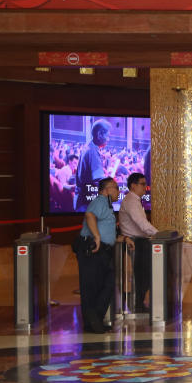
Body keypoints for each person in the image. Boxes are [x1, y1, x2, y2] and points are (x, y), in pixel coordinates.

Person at [75, 176, 120, 334]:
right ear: (107, 190)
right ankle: (93, 322)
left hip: (104, 252)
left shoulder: (107, 206)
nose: (118, 191)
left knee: (106, 285)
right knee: (92, 287)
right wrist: (97, 236)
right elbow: (90, 216)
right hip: (93, 250)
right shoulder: (100, 201)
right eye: (116, 187)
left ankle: (94, 321)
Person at [118, 172, 158, 313]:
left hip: (140, 241)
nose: (145, 187)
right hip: (135, 242)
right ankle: (136, 304)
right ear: (133, 186)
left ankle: (139, 303)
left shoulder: (135, 200)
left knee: (144, 274)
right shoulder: (130, 201)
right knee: (142, 275)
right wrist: (158, 235)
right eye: (142, 184)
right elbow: (142, 224)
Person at [74, 120, 110, 212]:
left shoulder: (89, 146)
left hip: (81, 201)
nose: (108, 139)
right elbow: (98, 181)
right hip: (86, 205)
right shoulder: (93, 151)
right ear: (99, 134)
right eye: (107, 135)